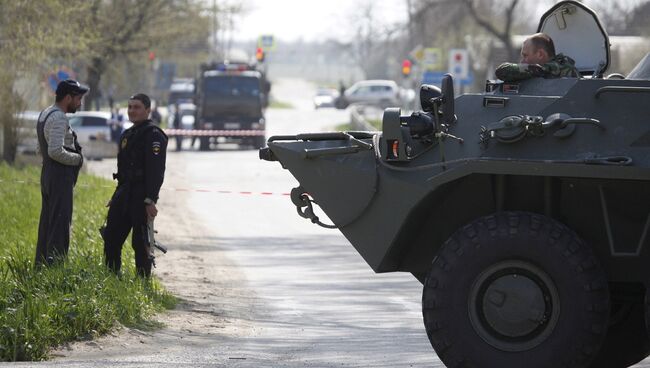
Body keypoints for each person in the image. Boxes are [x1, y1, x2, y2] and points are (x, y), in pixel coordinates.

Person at [102, 93, 168, 277]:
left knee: (140, 244)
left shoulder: (154, 135)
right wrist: (116, 195)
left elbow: (156, 172)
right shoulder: (127, 134)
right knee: (111, 237)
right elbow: (123, 171)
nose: (132, 111)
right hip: (124, 194)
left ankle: (142, 284)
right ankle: (112, 279)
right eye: (130, 107)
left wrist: (151, 199)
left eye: (137, 107)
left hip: (141, 196)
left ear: (147, 110)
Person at [35, 79, 88, 266]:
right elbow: (55, 151)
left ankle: (41, 267)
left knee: (47, 223)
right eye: (78, 99)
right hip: (59, 176)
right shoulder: (58, 118)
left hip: (48, 174)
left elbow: (40, 149)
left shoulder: (45, 113)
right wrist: (78, 159)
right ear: (68, 98)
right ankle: (55, 270)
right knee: (59, 224)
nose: (79, 103)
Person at [495, 33, 580, 82]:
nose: (522, 61)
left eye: (525, 56)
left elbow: (502, 71)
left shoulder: (556, 69)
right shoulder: (543, 72)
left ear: (540, 54)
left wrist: (531, 69)